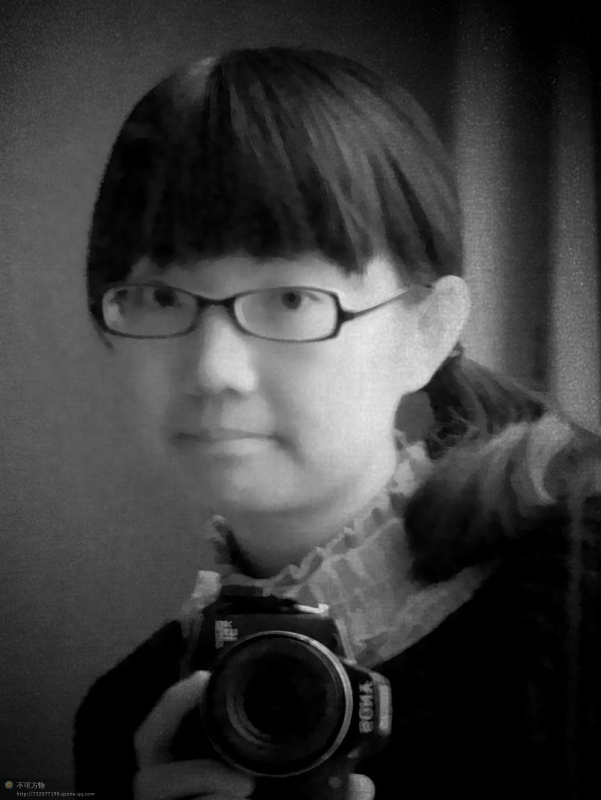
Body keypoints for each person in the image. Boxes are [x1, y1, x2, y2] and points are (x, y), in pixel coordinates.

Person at [73, 46, 601, 800]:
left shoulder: (577, 596)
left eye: (290, 298)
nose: (213, 370)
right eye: (159, 296)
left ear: (426, 331)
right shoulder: (129, 719)